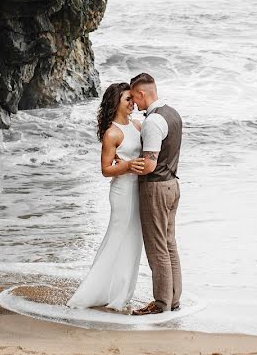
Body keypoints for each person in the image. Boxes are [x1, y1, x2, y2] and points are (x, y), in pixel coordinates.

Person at [66, 82, 146, 310]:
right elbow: (105, 170)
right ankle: (90, 294)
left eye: (133, 98)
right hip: (122, 192)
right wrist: (129, 166)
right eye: (127, 99)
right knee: (116, 239)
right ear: (115, 103)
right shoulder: (112, 133)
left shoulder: (137, 126)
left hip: (137, 190)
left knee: (132, 241)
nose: (132, 103)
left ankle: (120, 292)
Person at [127, 72, 183, 316]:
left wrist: (125, 164)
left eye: (134, 98)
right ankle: (173, 299)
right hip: (173, 184)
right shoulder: (172, 114)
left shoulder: (152, 122)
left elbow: (149, 164)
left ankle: (161, 304)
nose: (134, 104)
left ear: (141, 93)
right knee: (169, 244)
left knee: (157, 248)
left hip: (155, 188)